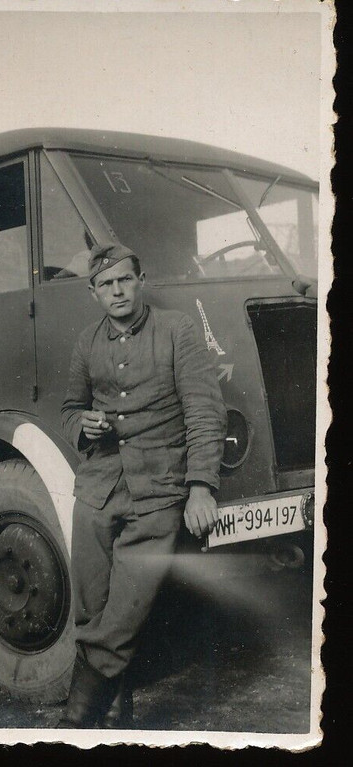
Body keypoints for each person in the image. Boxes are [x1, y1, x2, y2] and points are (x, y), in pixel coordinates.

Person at [59, 243, 227, 729]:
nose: (117, 291)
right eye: (106, 284)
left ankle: (76, 720)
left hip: (159, 486)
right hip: (99, 486)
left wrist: (200, 487)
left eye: (125, 280)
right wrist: (81, 425)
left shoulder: (177, 330)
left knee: (127, 605)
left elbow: (204, 410)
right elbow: (70, 407)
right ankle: (115, 710)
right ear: (94, 292)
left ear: (141, 280)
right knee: (92, 604)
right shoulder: (87, 342)